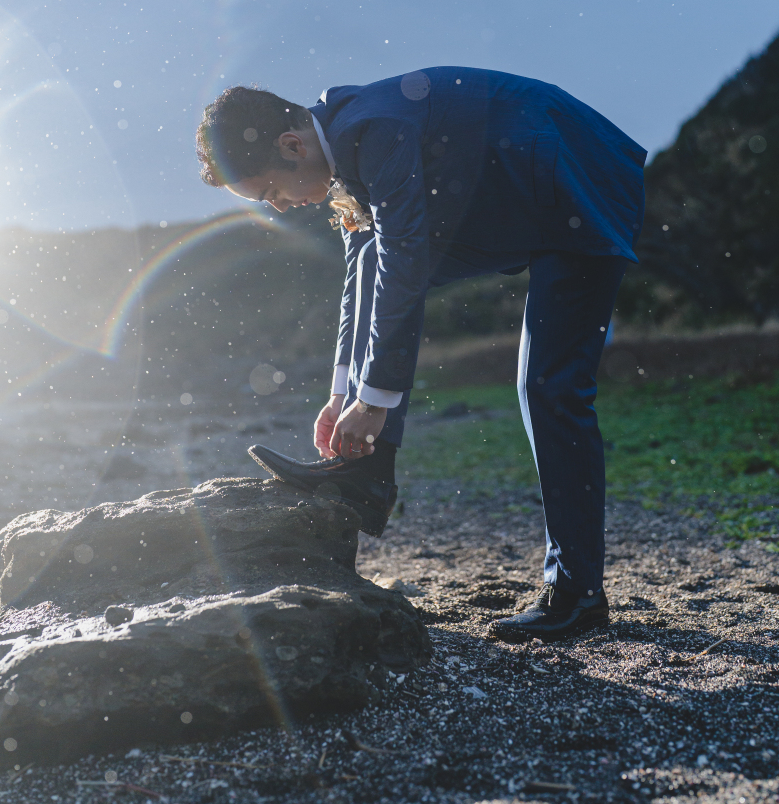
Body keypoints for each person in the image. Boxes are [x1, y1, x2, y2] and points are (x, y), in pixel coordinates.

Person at [195, 67, 645, 642]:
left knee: (550, 388)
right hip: (516, 197)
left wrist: (376, 402)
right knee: (374, 261)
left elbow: (405, 261)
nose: (278, 208)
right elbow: (365, 273)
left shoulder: (374, 130)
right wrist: (344, 396)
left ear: (291, 145)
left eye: (268, 193)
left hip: (579, 180)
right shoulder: (340, 144)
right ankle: (369, 473)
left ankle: (577, 593)